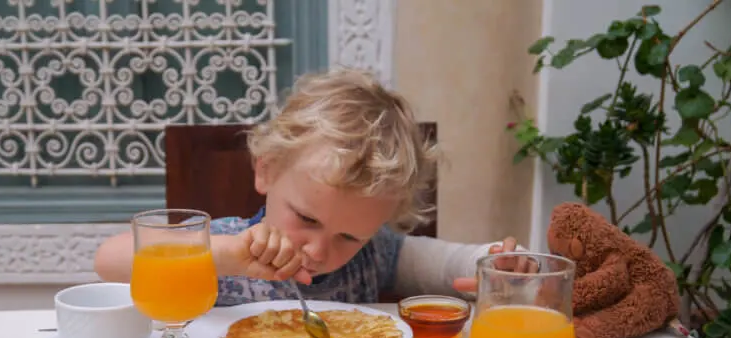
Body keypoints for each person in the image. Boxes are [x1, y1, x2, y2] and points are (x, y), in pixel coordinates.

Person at [94, 68, 526, 304]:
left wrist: (490, 266)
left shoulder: (373, 255)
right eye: (306, 218)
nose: (319, 251)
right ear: (265, 171)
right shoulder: (227, 246)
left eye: (349, 236)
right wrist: (225, 257)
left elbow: (436, 263)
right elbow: (108, 262)